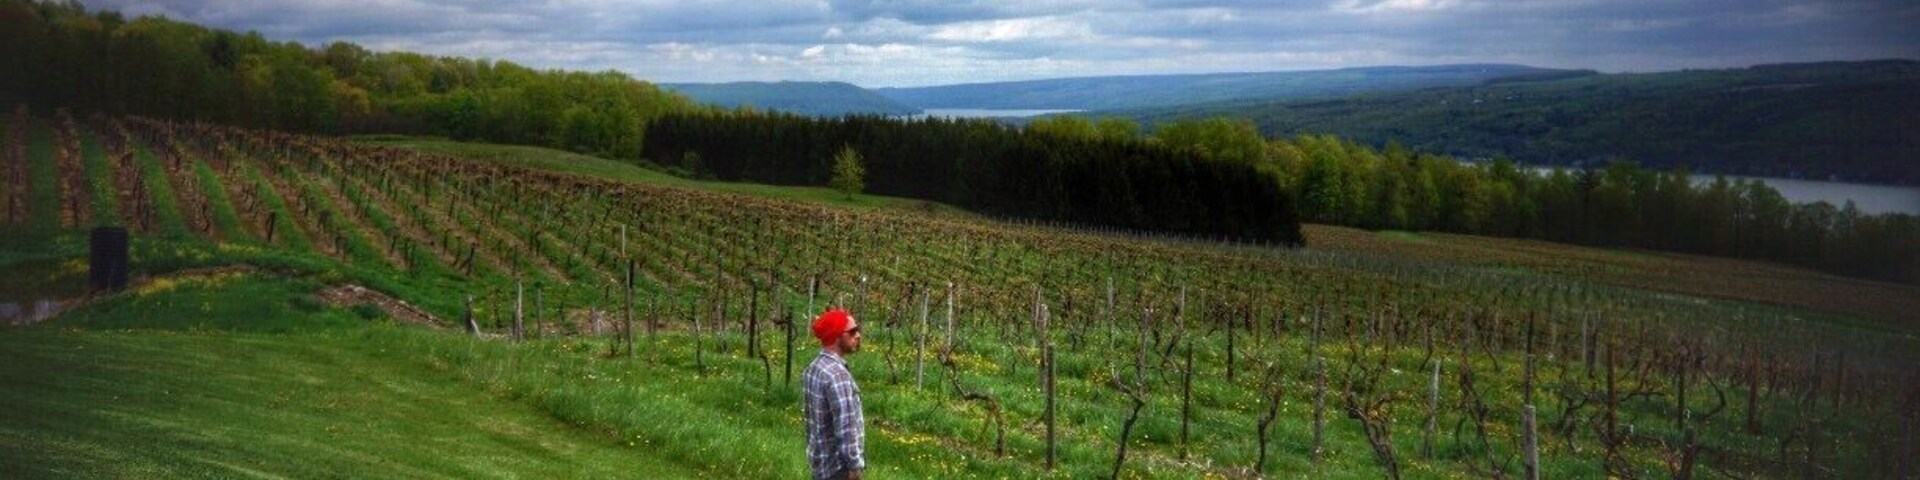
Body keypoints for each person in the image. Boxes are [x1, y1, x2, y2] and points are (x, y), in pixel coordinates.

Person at [804, 307, 865, 480]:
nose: (858, 335)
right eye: (852, 331)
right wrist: (854, 466)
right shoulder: (838, 376)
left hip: (821, 464)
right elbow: (846, 425)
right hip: (839, 469)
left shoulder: (814, 368)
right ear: (837, 335)